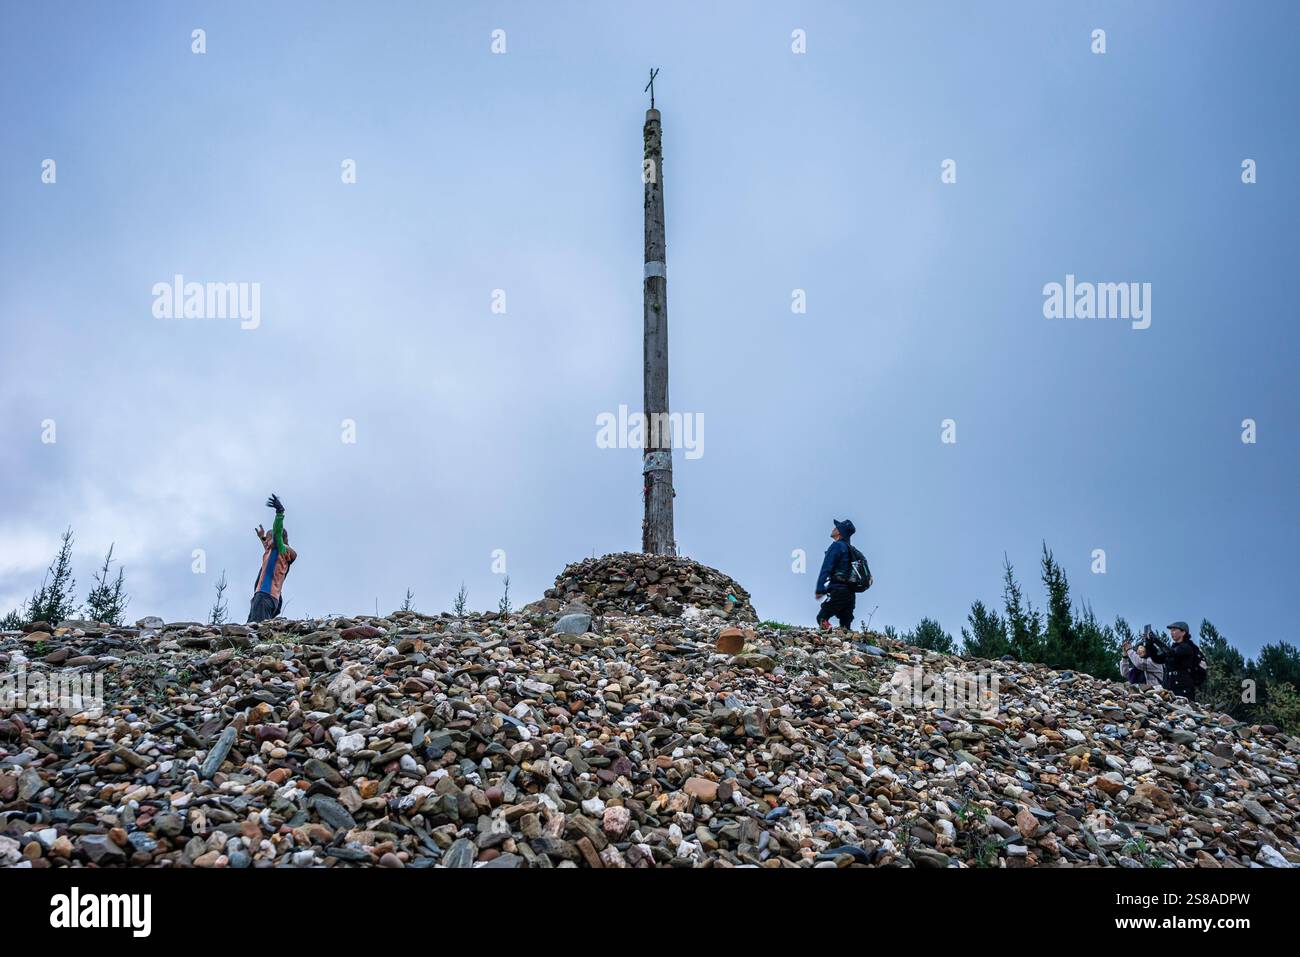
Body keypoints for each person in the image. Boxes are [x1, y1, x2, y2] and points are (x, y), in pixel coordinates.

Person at [248, 493, 296, 623]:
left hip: (264, 596)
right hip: (273, 598)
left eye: (269, 539)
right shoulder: (281, 554)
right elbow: (268, 546)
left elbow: (277, 533)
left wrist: (279, 512)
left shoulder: (278, 548)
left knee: (255, 630)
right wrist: (262, 537)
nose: (267, 542)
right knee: (254, 629)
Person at [815, 518, 857, 631]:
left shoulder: (837, 546)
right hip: (850, 594)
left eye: (836, 527)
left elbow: (826, 568)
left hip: (838, 591)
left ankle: (827, 640)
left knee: (822, 617)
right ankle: (846, 646)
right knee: (845, 627)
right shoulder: (850, 549)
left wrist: (820, 588)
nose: (833, 528)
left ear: (840, 532)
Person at [1150, 620, 1199, 700]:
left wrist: (1156, 640)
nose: (1171, 633)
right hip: (1169, 686)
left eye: (1174, 630)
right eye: (1171, 630)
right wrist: (1150, 645)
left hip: (1182, 688)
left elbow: (1171, 653)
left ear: (1183, 632)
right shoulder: (1173, 648)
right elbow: (1157, 659)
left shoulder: (1187, 647)